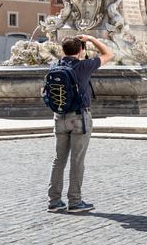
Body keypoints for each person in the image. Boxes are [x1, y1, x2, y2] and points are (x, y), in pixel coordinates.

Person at [47, 34, 113, 213]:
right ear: (80, 50)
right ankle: (75, 201)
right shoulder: (84, 66)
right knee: (77, 160)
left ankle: (54, 201)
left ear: (63, 50)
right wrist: (91, 38)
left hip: (59, 116)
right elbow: (109, 54)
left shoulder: (54, 66)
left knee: (58, 159)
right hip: (79, 118)